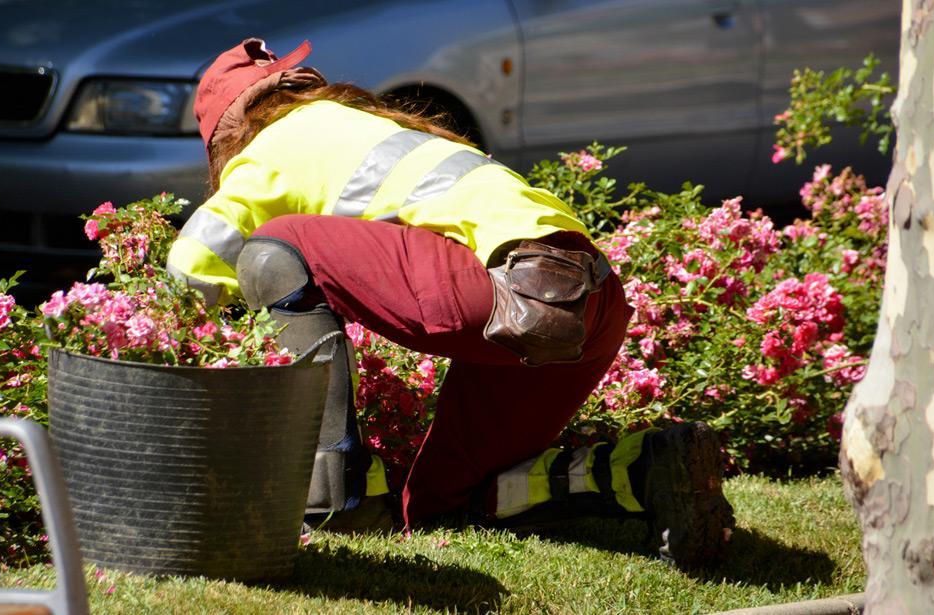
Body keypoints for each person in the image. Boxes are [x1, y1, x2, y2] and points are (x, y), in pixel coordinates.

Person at [167, 38, 734, 567]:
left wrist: (199, 328)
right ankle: (652, 469)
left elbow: (192, 264)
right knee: (442, 503)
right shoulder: (368, 123)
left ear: (229, 132)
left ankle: (339, 501)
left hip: (502, 292)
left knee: (278, 248)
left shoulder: (270, 148)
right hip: (588, 301)